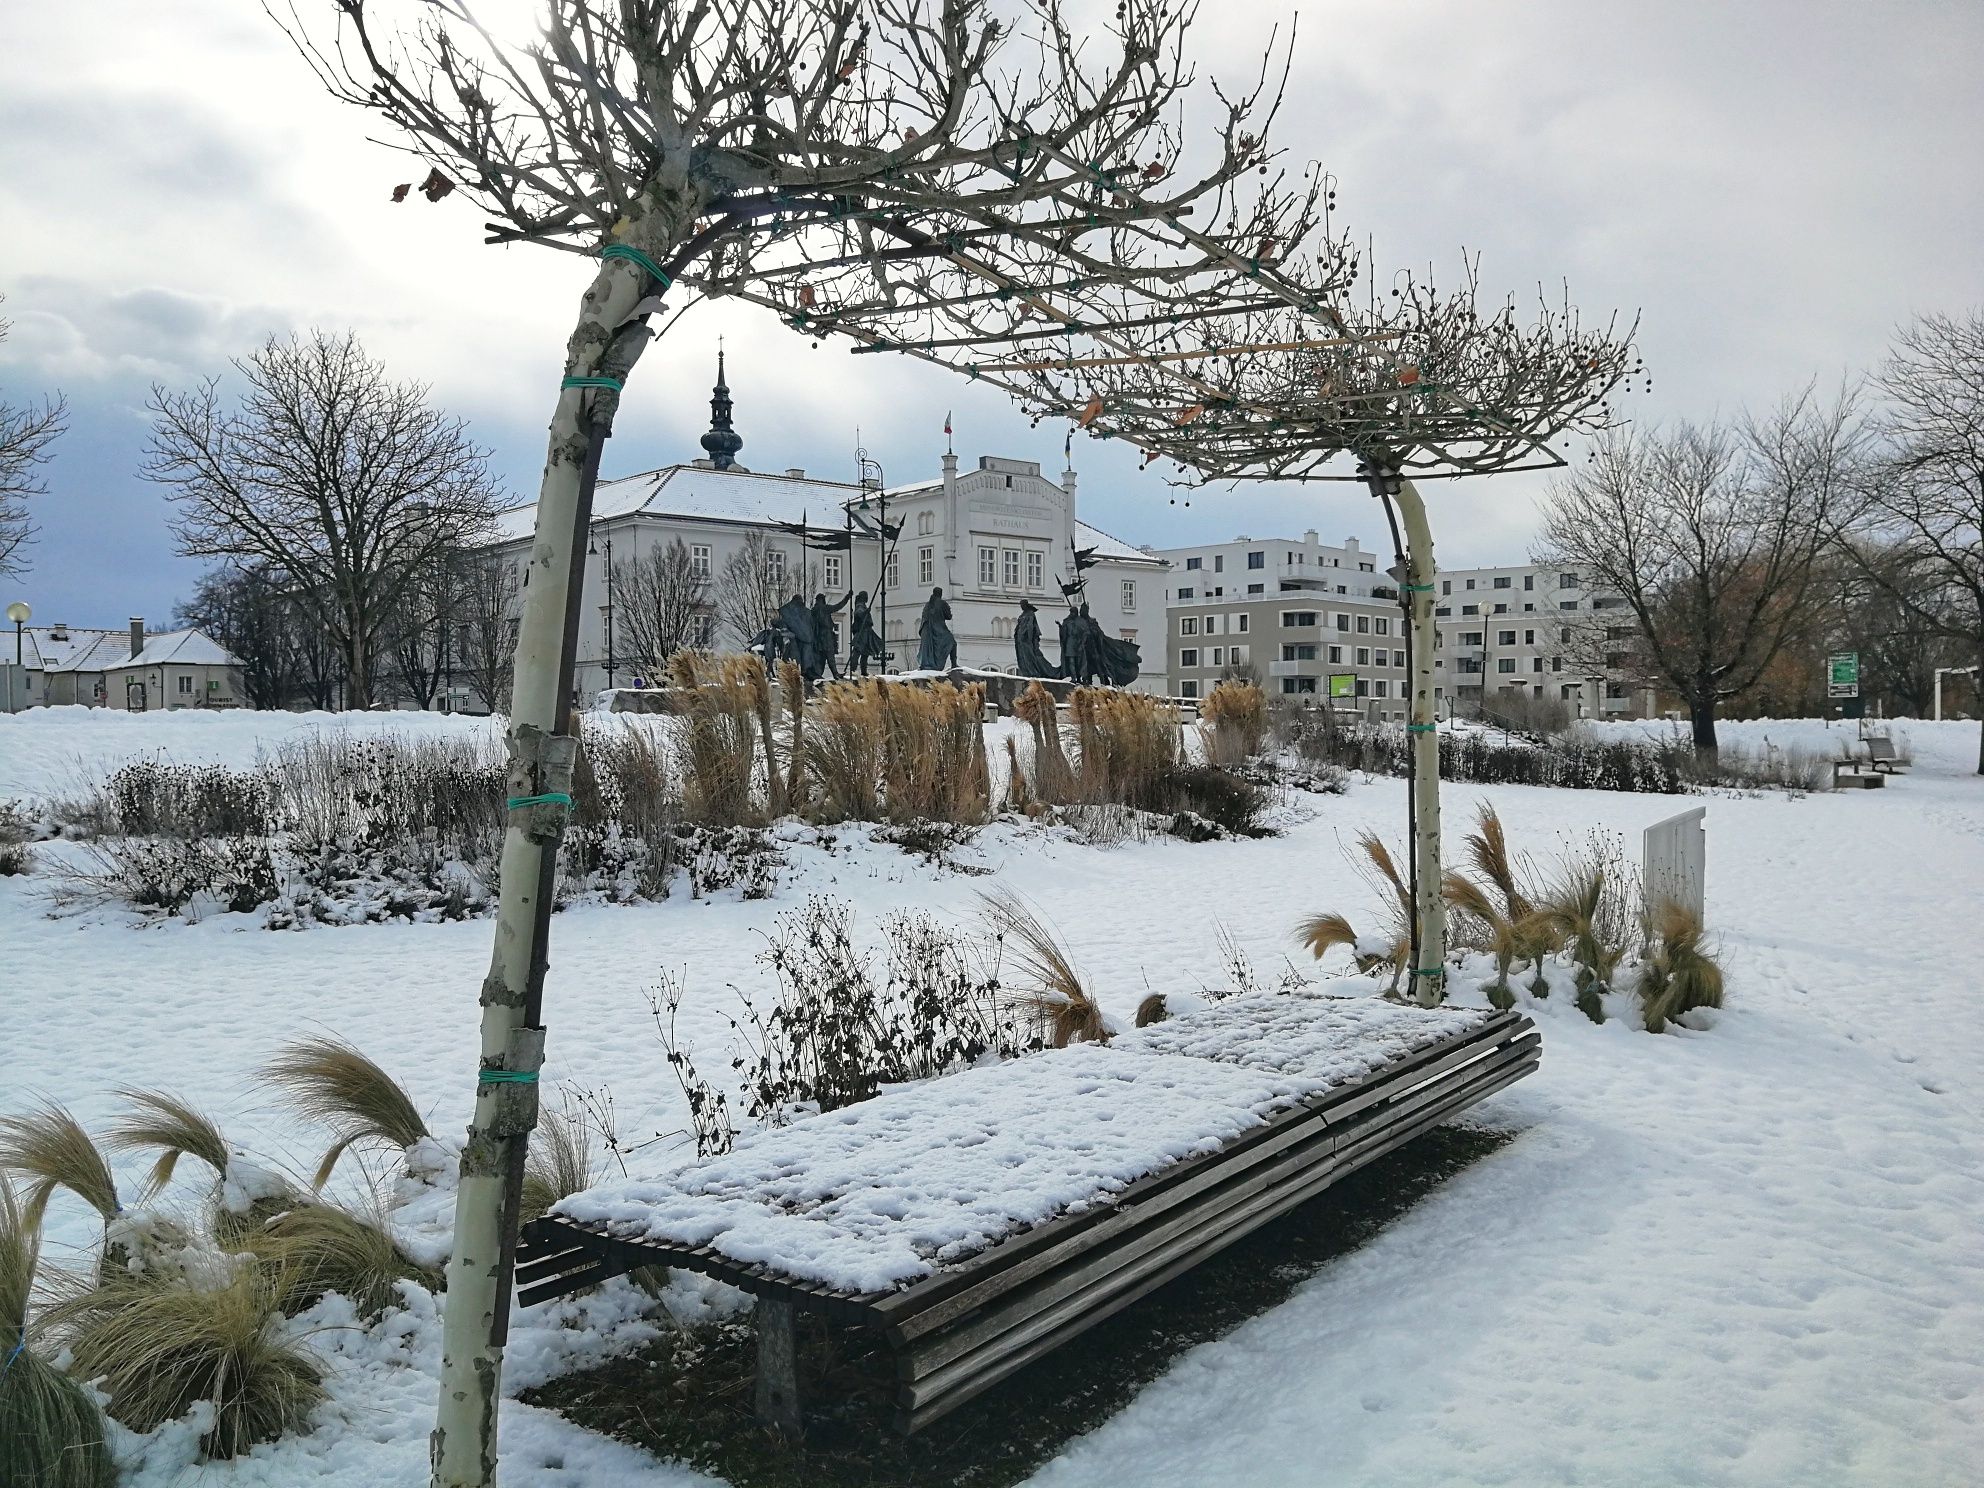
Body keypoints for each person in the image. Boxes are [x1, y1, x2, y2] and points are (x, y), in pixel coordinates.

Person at [1013, 598, 1062, 678]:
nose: (1021, 606)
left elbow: (1030, 627)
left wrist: (1028, 638)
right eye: (1020, 605)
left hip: (1027, 640)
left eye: (1022, 605)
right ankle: (1027, 671)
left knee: (1031, 656)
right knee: (1023, 657)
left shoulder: (1030, 614)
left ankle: (1034, 671)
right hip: (1021, 641)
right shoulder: (1022, 615)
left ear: (1025, 605)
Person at [809, 591, 851, 680]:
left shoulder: (813, 610)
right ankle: (835, 673)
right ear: (823, 600)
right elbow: (838, 606)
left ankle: (818, 674)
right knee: (829, 655)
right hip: (826, 635)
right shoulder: (824, 608)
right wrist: (847, 598)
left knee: (821, 658)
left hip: (817, 638)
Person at [916, 586, 957, 671]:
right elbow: (948, 616)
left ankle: (927, 663)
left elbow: (924, 620)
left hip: (928, 632)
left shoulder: (927, 605)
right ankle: (954, 664)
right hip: (939, 631)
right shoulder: (942, 603)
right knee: (952, 642)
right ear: (940, 594)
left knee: (930, 649)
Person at [847, 590, 884, 676]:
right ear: (864, 597)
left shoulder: (862, 605)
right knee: (858, 652)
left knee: (865, 652)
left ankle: (863, 671)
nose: (867, 598)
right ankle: (853, 670)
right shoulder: (860, 605)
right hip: (862, 632)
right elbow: (858, 614)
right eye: (866, 596)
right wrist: (865, 612)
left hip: (867, 632)